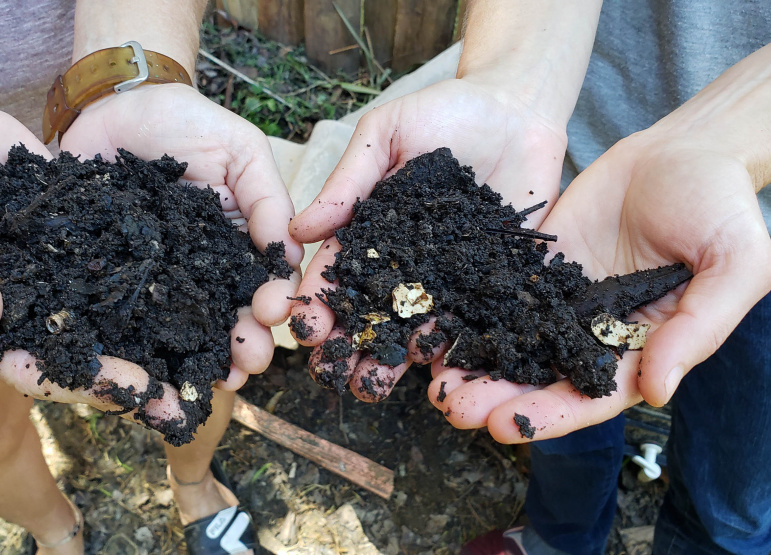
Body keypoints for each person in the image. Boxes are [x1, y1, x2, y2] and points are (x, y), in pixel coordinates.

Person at [288, 1, 771, 554]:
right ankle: (557, 538)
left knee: (735, 490)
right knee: (552, 422)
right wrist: (509, 83)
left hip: (746, 213)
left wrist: (724, 142)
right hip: (556, 158)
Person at [0, 1, 301, 554]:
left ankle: (192, 483)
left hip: (97, 114)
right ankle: (56, 532)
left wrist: (128, 78)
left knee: (202, 368)